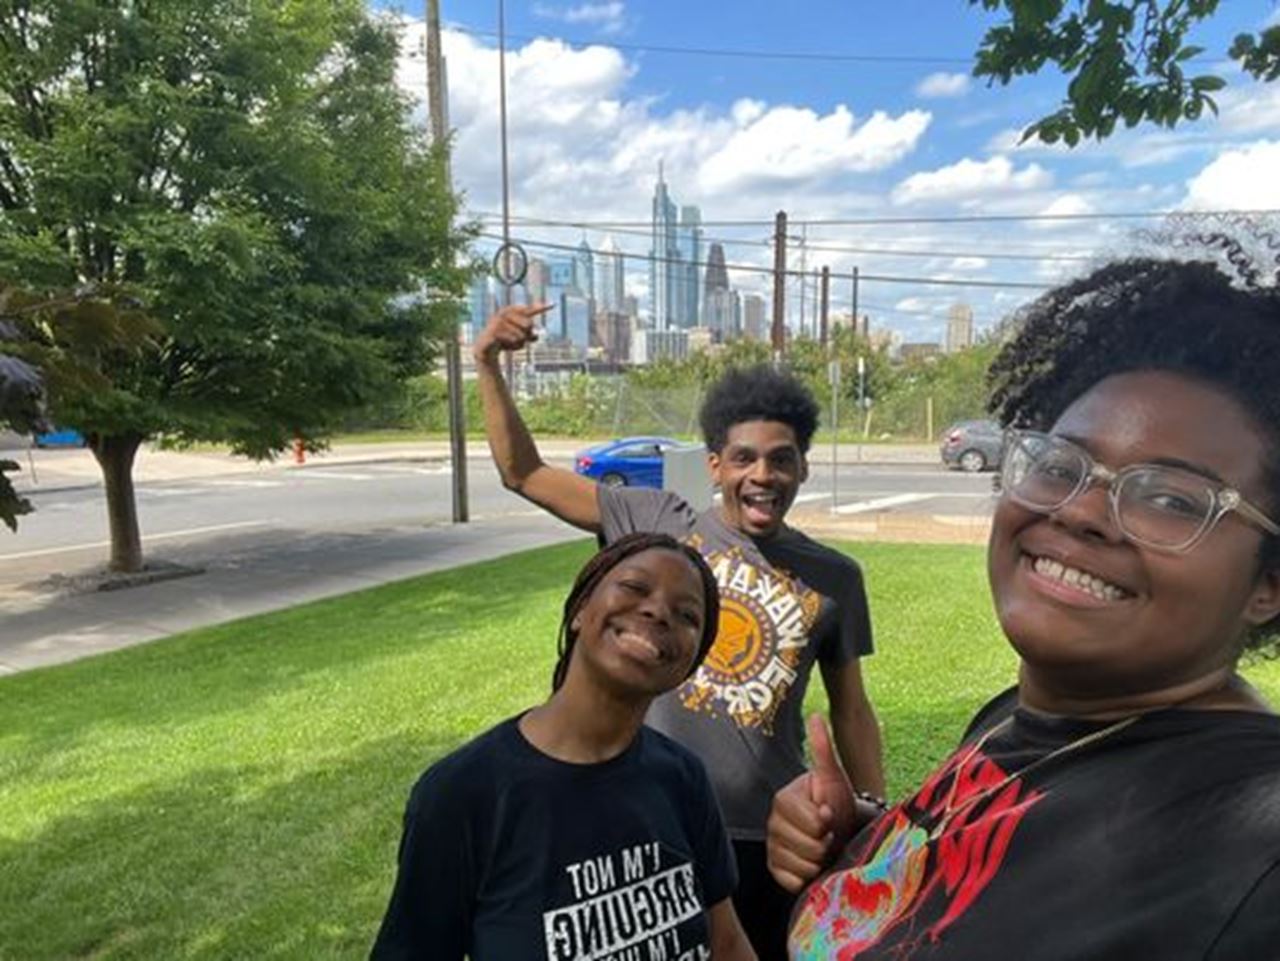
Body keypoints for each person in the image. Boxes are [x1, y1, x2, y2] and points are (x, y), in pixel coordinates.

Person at [767, 258, 1280, 960]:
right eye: (1061, 463)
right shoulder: (1017, 714)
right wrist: (866, 838)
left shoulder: (1252, 835)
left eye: (1169, 498)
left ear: (1270, 582)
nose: (1081, 512)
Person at [473, 307, 884, 959]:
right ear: (715, 464)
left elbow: (852, 707)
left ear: (803, 468)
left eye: (782, 459)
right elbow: (524, 473)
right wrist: (488, 363)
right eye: (744, 457)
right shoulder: (656, 521)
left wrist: (872, 819)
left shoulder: (836, 577)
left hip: (768, 832)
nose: (763, 475)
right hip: (647, 811)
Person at [371, 532, 756, 960]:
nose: (658, 611)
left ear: (689, 664)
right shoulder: (462, 793)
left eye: (687, 615)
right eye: (634, 587)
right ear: (580, 610)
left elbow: (727, 943)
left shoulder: (683, 777)